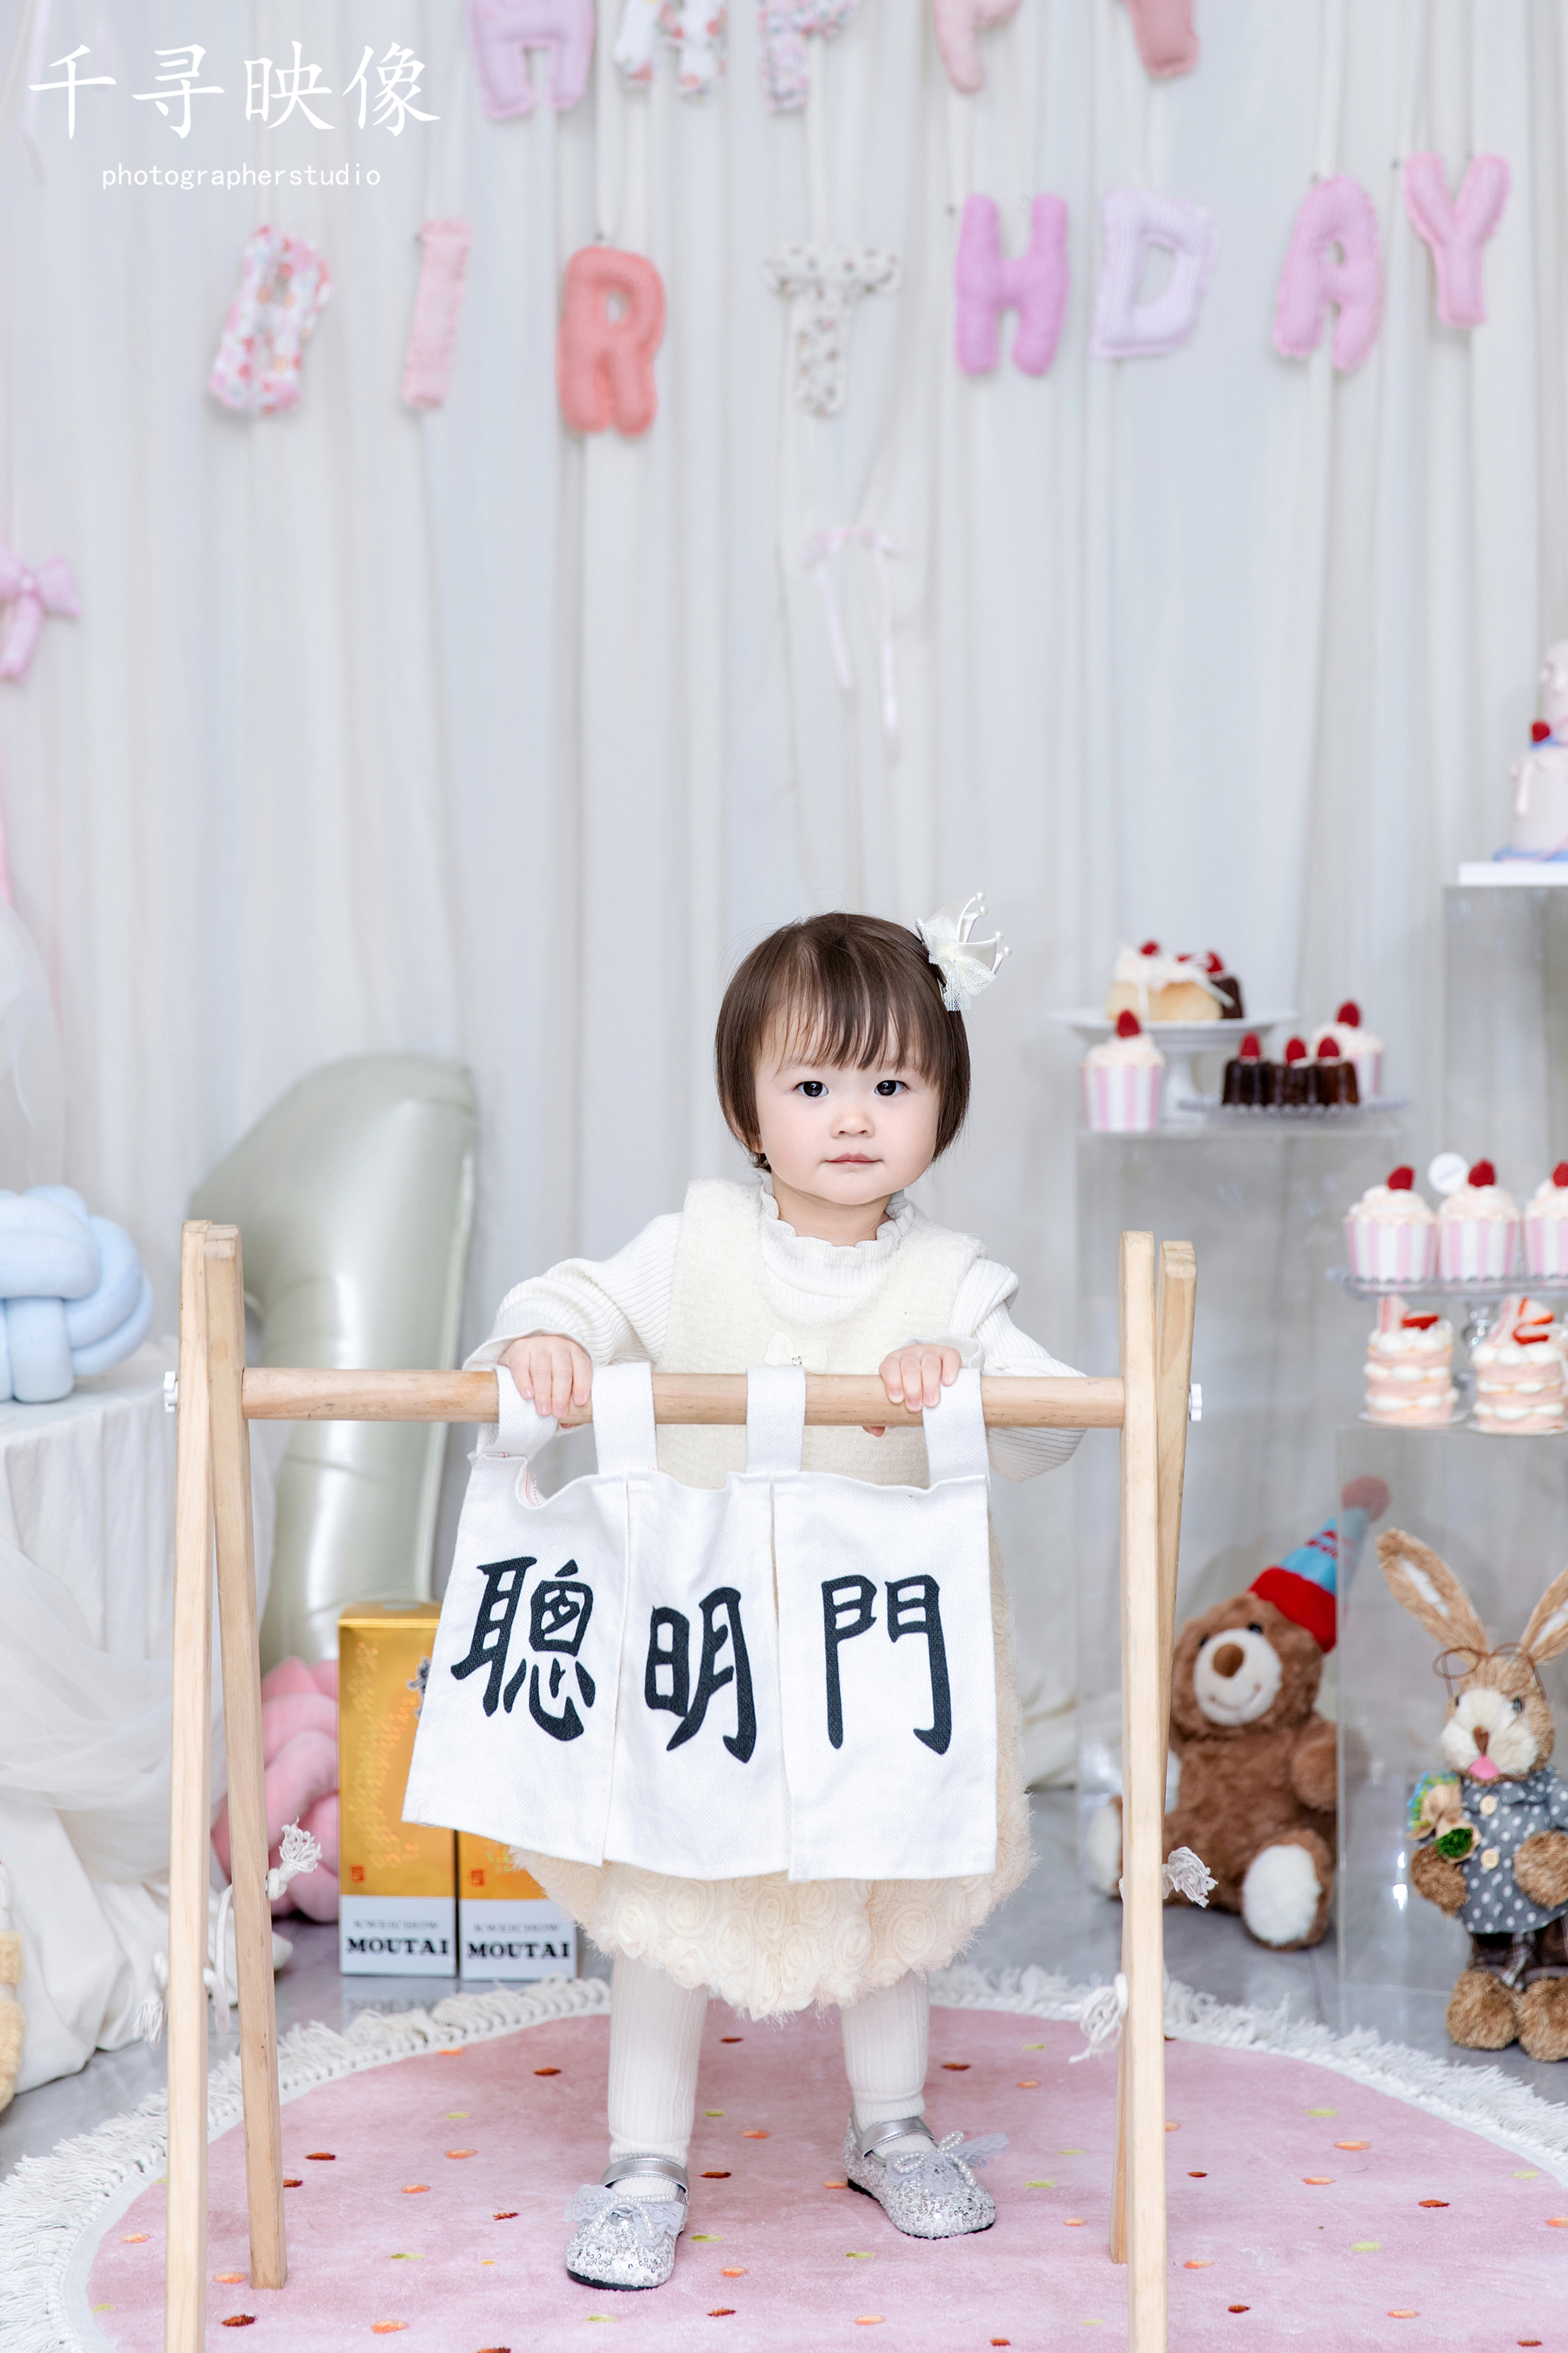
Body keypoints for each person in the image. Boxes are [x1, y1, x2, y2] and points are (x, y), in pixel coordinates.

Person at [465, 901, 1083, 2289]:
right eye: (811, 1085)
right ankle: (643, 2159)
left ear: (944, 1103)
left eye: (891, 1083)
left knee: (884, 1899)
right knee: (668, 1903)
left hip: (872, 1667)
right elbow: (570, 1299)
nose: (851, 1117)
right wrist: (548, 1341)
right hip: (711, 1655)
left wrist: (964, 1385)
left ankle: (892, 2124)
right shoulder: (693, 1246)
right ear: (748, 1111)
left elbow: (1056, 1425)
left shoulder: (951, 1283)